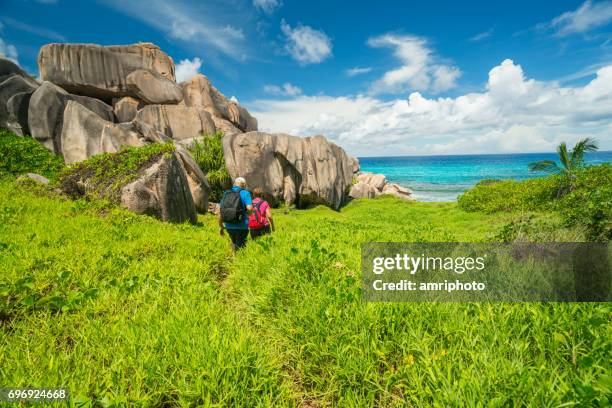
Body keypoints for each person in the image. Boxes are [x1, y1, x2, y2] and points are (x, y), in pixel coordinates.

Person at [219, 177, 253, 251]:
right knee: (241, 248)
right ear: (244, 184)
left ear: (235, 183)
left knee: (233, 244)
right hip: (242, 225)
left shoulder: (226, 193)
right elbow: (250, 208)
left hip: (229, 225)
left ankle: (233, 258)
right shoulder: (245, 193)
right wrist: (248, 214)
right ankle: (238, 261)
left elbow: (221, 210)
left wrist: (221, 226)